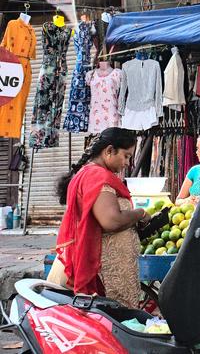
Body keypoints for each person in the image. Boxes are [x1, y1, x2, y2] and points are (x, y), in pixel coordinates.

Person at [50, 128, 148, 307]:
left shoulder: (89, 173)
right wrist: (140, 213)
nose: (127, 163)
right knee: (112, 319)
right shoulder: (97, 176)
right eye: (126, 156)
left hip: (108, 265)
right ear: (109, 151)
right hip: (105, 269)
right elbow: (111, 221)